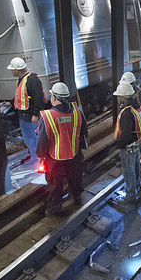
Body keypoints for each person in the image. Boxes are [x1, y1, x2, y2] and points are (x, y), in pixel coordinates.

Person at [37, 82, 88, 217]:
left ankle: (55, 209)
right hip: (74, 153)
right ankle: (77, 198)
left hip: (55, 157)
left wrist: (40, 155)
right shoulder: (77, 111)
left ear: (54, 97)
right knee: (75, 178)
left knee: (55, 183)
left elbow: (42, 140)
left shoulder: (47, 116)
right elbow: (84, 131)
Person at [113, 82, 141, 203]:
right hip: (137, 142)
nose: (117, 97)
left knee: (128, 170)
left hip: (129, 145)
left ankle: (130, 195)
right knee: (135, 166)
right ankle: (136, 187)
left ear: (124, 97)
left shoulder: (127, 112)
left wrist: (120, 144)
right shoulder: (137, 105)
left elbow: (126, 133)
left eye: (119, 95)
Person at [6, 57, 46, 166]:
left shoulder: (32, 80)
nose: (12, 71)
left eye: (12, 69)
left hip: (30, 116)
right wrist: (11, 102)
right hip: (23, 116)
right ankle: (34, 157)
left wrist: (36, 114)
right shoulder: (21, 79)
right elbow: (21, 95)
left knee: (36, 138)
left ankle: (42, 160)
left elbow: (38, 97)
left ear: (17, 70)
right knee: (28, 139)